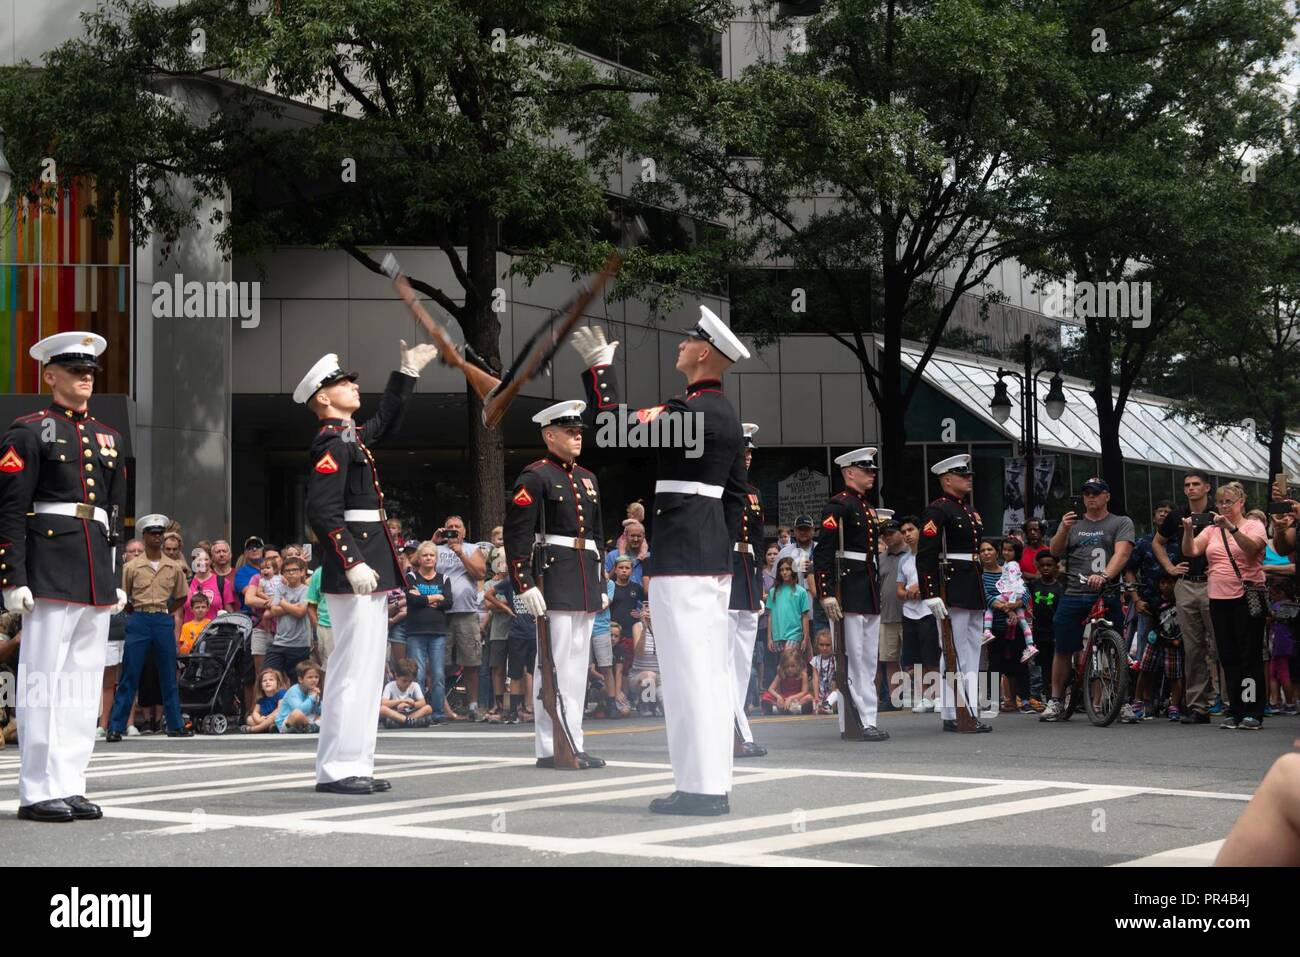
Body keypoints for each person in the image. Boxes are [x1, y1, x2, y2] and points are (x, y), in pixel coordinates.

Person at [574, 308, 748, 816]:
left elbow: (613, 433)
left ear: (704, 352)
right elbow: (736, 497)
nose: (679, 345)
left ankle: (702, 789)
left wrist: (601, 373)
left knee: (689, 671)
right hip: (703, 551)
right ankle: (705, 782)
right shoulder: (720, 413)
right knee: (704, 671)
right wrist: (716, 544)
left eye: (687, 340)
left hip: (685, 555)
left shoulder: (694, 413)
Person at [299, 339, 437, 794]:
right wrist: (353, 561)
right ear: (323, 398)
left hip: (369, 564)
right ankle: (337, 768)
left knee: (365, 668)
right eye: (343, 383)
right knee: (350, 670)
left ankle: (355, 762)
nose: (354, 386)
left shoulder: (348, 437)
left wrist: (407, 373)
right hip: (354, 566)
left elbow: (385, 423)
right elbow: (322, 511)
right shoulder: (331, 442)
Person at [0, 332, 128, 821]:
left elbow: (114, 515)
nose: (86, 378)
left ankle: (70, 781)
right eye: (76, 370)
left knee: (80, 684)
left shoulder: (110, 436)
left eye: (91, 371)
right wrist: (13, 578)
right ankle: (36, 788)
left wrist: (113, 575)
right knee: (42, 682)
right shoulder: (29, 431)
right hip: (49, 566)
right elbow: (11, 509)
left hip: (94, 567)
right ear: (50, 375)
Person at [504, 399, 609, 770]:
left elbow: (596, 533)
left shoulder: (588, 478)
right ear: (550, 435)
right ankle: (551, 746)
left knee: (578, 667)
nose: (577, 437)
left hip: (582, 576)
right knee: (553, 664)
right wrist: (523, 582)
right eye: (569, 431)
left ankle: (573, 742)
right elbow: (517, 535)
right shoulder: (535, 476)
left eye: (579, 431)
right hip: (553, 577)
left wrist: (600, 578)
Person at [1041, 477, 1135, 722]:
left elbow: (1123, 553)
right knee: (1063, 647)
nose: (1091, 497)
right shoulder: (1073, 524)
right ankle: (1056, 700)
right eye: (1086, 494)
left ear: (1107, 496)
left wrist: (1104, 575)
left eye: (1096, 492)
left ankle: (1121, 700)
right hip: (1073, 591)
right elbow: (1054, 551)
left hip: (1107, 592)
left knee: (1116, 648)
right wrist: (1063, 527)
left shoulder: (1120, 522)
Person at [813, 447, 889, 742]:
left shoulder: (868, 508)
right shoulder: (838, 506)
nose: (871, 474)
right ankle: (858, 720)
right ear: (849, 473)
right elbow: (824, 553)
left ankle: (866, 719)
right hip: (849, 588)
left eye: (872, 470)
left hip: (867, 588)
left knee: (868, 659)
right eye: (866, 470)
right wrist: (826, 592)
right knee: (853, 657)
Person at [1181, 481, 1267, 730]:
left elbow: (1253, 550)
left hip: (1246, 596)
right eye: (1220, 502)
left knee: (1248, 654)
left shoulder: (1253, 525)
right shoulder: (1211, 530)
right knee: (1227, 656)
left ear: (1241, 502)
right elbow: (1192, 551)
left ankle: (1253, 709)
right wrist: (1188, 531)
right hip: (1218, 598)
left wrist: (1231, 527)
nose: (1224, 506)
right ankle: (1236, 709)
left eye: (1229, 502)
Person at [916, 454, 992, 733]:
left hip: (971, 582)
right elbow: (926, 555)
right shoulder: (938, 511)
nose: (968, 478)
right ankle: (957, 710)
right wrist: (930, 592)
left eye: (968, 474)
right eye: (962, 475)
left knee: (970, 650)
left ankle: (960, 709)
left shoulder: (970, 511)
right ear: (947, 480)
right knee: (953, 649)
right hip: (952, 584)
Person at [107, 513, 192, 742]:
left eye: (159, 533)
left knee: (168, 673)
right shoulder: (132, 567)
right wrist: (138, 614)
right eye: (152, 534)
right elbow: (123, 596)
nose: (157, 537)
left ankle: (174, 724)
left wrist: (165, 610)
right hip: (139, 619)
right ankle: (116, 726)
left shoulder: (173, 567)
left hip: (163, 618)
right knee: (130, 673)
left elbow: (181, 597)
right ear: (143, 536)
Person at [1153, 470, 1219, 724]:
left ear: (1206, 488)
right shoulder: (1177, 514)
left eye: (1195, 485)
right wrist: (1169, 568)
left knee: (1221, 646)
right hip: (1186, 584)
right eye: (1187, 485)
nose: (1191, 489)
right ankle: (1197, 706)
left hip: (1215, 583)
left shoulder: (1216, 512)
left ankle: (1231, 702)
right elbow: (1157, 542)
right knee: (1193, 649)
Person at [729, 423, 768, 758]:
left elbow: (757, 540)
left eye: (751, 451)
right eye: (744, 451)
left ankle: (738, 724)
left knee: (742, 660)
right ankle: (735, 728)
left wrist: (757, 584)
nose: (748, 456)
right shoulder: (719, 488)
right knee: (726, 659)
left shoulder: (753, 492)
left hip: (747, 576)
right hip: (726, 574)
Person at [432, 515, 487, 717]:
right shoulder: (436, 550)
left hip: (466, 612)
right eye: (449, 527)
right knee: (440, 662)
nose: (453, 530)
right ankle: (439, 707)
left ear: (464, 532)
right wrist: (432, 540)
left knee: (471, 661)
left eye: (457, 527)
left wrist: (461, 554)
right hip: (440, 612)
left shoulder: (473, 549)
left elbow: (480, 574)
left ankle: (473, 706)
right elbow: (414, 564)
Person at [1123, 574, 1184, 723]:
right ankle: (1138, 701)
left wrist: (1179, 639)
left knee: (1174, 675)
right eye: (1162, 582)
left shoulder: (1181, 601)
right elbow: (1149, 617)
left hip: (1173, 641)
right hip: (1155, 640)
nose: (1165, 586)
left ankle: (1174, 706)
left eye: (1169, 583)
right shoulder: (1155, 600)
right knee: (1145, 670)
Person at [897, 516, 939, 713]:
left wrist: (922, 589)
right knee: (916, 659)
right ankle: (925, 697)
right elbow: (899, 590)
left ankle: (938, 696)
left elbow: (937, 581)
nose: (907, 534)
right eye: (904, 531)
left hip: (928, 611)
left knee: (931, 656)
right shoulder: (903, 560)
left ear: (920, 530)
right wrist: (909, 593)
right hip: (909, 612)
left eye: (911, 530)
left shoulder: (931, 555)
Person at [404, 541, 450, 718]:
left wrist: (423, 598)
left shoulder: (444, 579)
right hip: (416, 632)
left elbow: (448, 601)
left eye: (432, 555)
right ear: (419, 559)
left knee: (438, 675)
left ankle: (437, 712)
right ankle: (419, 712)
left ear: (436, 558)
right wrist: (435, 597)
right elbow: (411, 600)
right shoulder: (411, 578)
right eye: (425, 555)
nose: (428, 558)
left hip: (438, 633)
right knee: (419, 675)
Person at [262, 556, 312, 678]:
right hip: (279, 642)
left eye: (294, 570)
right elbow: (273, 610)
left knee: (297, 681)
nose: (290, 573)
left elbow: (301, 612)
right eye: (287, 571)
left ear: (302, 572)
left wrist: (283, 603)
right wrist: (294, 607)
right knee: (268, 675)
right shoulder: (280, 589)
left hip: (299, 644)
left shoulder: (307, 590)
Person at [876, 518, 908, 708]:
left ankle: (922, 696)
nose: (887, 537)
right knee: (889, 659)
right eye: (884, 535)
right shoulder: (880, 558)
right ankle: (895, 700)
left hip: (910, 614)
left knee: (914, 659)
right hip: (886, 615)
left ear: (900, 533)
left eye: (891, 533)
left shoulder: (912, 555)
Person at [1027, 551, 1063, 710]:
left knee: (1053, 667)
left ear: (1057, 567)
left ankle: (1054, 698)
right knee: (1041, 667)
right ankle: (1038, 697)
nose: (1046, 568)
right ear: (1038, 567)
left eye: (1049, 565)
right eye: (1042, 565)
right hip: (1037, 633)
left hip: (1054, 633)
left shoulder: (1061, 588)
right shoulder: (1032, 585)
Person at [766, 558, 811, 655]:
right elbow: (770, 616)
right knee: (782, 666)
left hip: (794, 634)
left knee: (789, 660)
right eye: (781, 570)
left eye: (787, 569)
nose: (784, 572)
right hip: (777, 635)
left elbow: (805, 616)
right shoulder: (773, 591)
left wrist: (805, 638)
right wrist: (769, 638)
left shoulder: (801, 591)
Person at [1266, 579, 1296, 715]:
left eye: (1273, 594)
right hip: (1286, 643)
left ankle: (1289, 703)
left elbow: (1269, 619)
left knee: (1281, 674)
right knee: (1275, 673)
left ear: (1281, 593)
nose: (1271, 597)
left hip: (1279, 644)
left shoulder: (1278, 606)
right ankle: (1278, 702)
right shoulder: (1292, 605)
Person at [626, 607, 661, 715]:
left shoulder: (663, 627)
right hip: (640, 675)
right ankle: (644, 703)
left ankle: (656, 703)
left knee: (668, 709)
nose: (649, 613)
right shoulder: (638, 626)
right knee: (649, 676)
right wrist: (645, 628)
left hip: (660, 676)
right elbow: (638, 653)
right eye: (647, 610)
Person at [380, 658, 434, 728]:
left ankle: (404, 721)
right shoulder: (390, 686)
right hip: (396, 713)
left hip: (410, 712)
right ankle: (410, 721)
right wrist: (402, 701)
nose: (407, 684)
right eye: (404, 681)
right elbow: (384, 703)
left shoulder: (414, 685)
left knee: (428, 708)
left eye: (410, 681)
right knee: (382, 709)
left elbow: (422, 702)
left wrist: (411, 705)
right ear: (396, 676)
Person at [761, 646, 813, 714]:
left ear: (798, 665)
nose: (790, 669)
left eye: (793, 666)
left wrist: (791, 698)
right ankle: (793, 709)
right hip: (783, 698)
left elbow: (804, 691)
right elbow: (770, 689)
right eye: (787, 666)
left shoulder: (803, 674)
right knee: (765, 696)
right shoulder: (781, 674)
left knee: (809, 697)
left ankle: (779, 710)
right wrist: (778, 696)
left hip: (796, 698)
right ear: (783, 666)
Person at [277, 660, 323, 733]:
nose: (314, 680)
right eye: (310, 677)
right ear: (300, 679)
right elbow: (301, 710)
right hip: (288, 723)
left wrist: (317, 702)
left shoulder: (314, 691)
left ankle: (310, 728)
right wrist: (311, 697)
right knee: (297, 714)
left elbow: (319, 712)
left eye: (316, 677)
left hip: (307, 720)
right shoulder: (293, 691)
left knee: (326, 714)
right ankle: (312, 727)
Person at [243, 668, 288, 733]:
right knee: (249, 719)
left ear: (277, 683)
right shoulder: (261, 698)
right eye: (264, 681)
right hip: (264, 720)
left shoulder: (281, 693)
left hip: (277, 718)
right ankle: (267, 728)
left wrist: (268, 717)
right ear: (261, 686)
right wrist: (258, 720)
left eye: (271, 680)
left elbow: (280, 709)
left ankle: (255, 729)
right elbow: (255, 712)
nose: (267, 682)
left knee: (276, 715)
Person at [605, 520, 649, 585]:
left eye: (639, 536)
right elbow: (606, 581)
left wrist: (645, 562)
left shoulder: (650, 557)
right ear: (625, 536)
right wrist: (620, 559)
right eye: (632, 536)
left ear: (643, 537)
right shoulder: (613, 555)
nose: (635, 539)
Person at [808, 629, 840, 714]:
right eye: (821, 645)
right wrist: (816, 696)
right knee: (809, 697)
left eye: (828, 645)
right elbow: (815, 678)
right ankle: (821, 707)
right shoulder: (815, 660)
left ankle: (827, 706)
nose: (824, 648)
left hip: (832, 691)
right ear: (817, 645)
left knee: (837, 693)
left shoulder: (836, 659)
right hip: (821, 692)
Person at [178, 590, 213, 655]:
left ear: (208, 608)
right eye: (197, 607)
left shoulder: (211, 624)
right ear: (191, 609)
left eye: (203, 607)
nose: (200, 610)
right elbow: (182, 647)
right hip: (191, 658)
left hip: (207, 657)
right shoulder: (186, 626)